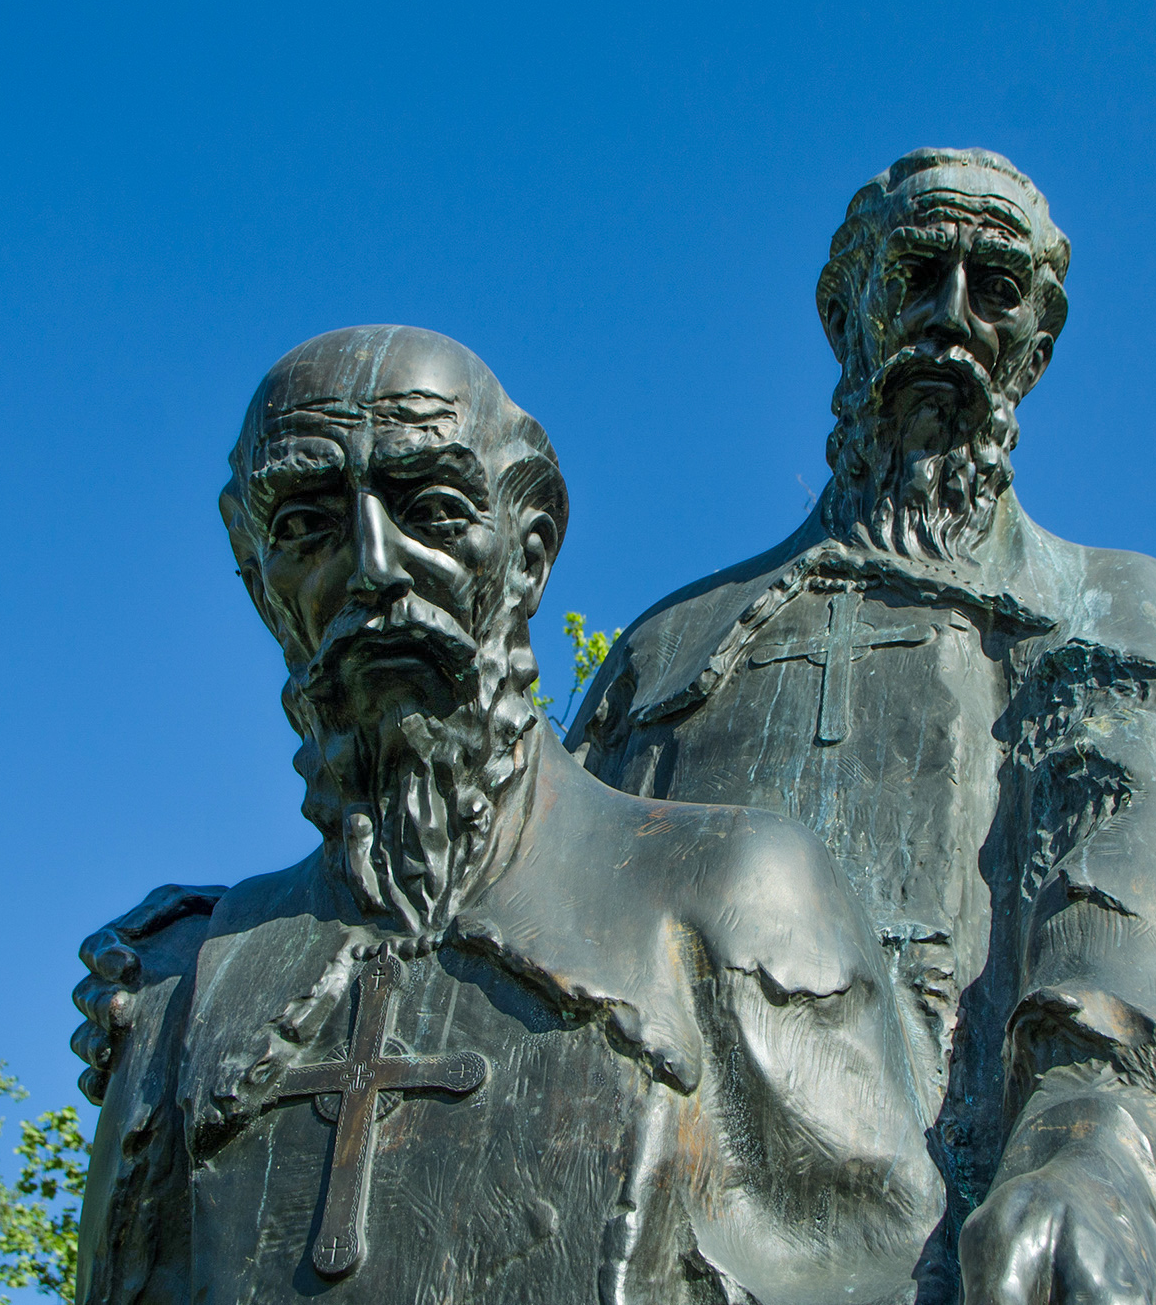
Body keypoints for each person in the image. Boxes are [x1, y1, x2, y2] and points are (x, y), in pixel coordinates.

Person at [69, 325, 943, 1305]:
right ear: (255, 576)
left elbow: (877, 1274)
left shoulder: (730, 894)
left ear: (527, 551)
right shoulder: (175, 986)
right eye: (305, 526)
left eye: (430, 511)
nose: (370, 569)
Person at [569, 150, 1156, 1305]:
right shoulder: (670, 648)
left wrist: (1097, 1132)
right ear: (840, 314)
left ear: (1038, 342)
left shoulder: (1107, 610)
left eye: (993, 287)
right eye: (915, 274)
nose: (949, 318)